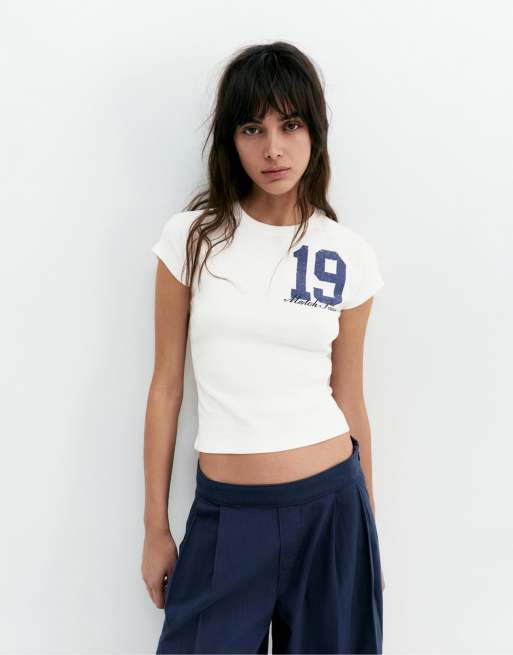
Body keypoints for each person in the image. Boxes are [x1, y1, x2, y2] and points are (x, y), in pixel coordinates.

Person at [142, 40, 386, 655]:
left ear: (315, 133)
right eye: (253, 128)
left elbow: (349, 397)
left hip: (332, 511)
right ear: (231, 139)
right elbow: (166, 385)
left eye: (290, 125)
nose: (273, 148)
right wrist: (155, 528)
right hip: (227, 517)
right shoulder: (192, 240)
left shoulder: (347, 254)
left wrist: (369, 533)